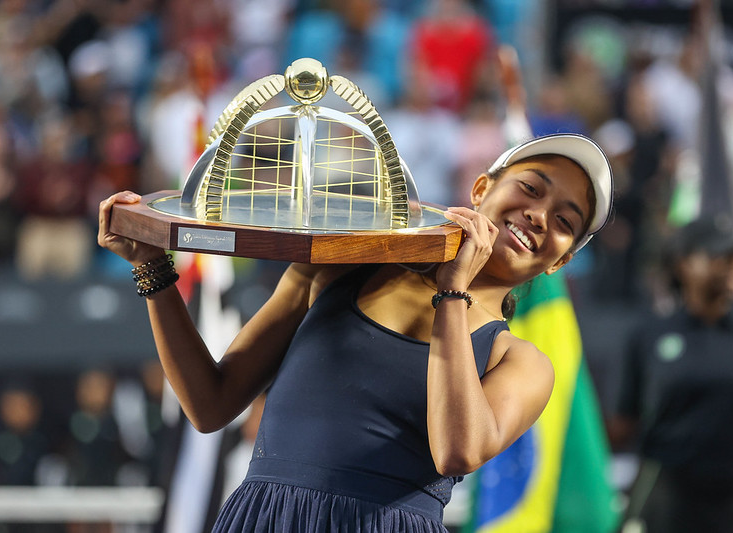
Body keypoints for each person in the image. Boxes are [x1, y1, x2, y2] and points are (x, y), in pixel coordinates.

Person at [97, 133, 613, 532]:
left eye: (565, 221)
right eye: (530, 187)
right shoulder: (339, 268)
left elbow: (457, 451)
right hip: (264, 516)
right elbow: (209, 406)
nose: (539, 215)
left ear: (560, 262)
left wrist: (454, 291)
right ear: (481, 189)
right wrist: (152, 269)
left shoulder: (524, 363)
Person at [609, 215, 733, 533]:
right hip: (669, 498)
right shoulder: (650, 335)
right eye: (719, 254)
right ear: (683, 264)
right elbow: (624, 421)